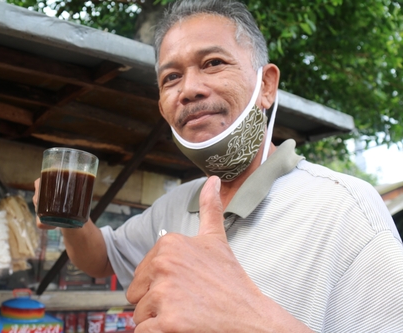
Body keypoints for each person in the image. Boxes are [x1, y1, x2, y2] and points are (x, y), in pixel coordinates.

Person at [33, 0, 403, 331]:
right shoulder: (176, 205)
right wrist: (72, 219)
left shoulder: (346, 209)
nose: (189, 88)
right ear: (162, 105)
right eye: (171, 77)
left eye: (213, 63)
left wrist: (245, 319)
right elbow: (101, 259)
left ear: (266, 86)